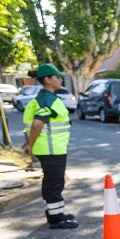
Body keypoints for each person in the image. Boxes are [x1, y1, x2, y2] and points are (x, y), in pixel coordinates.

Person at [22, 63, 78, 229]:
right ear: (47, 79)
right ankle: (56, 219)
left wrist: (30, 143)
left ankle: (55, 213)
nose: (60, 80)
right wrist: (29, 144)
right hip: (51, 149)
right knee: (54, 183)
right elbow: (37, 125)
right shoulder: (47, 100)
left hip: (50, 147)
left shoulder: (45, 98)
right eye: (57, 77)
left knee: (51, 182)